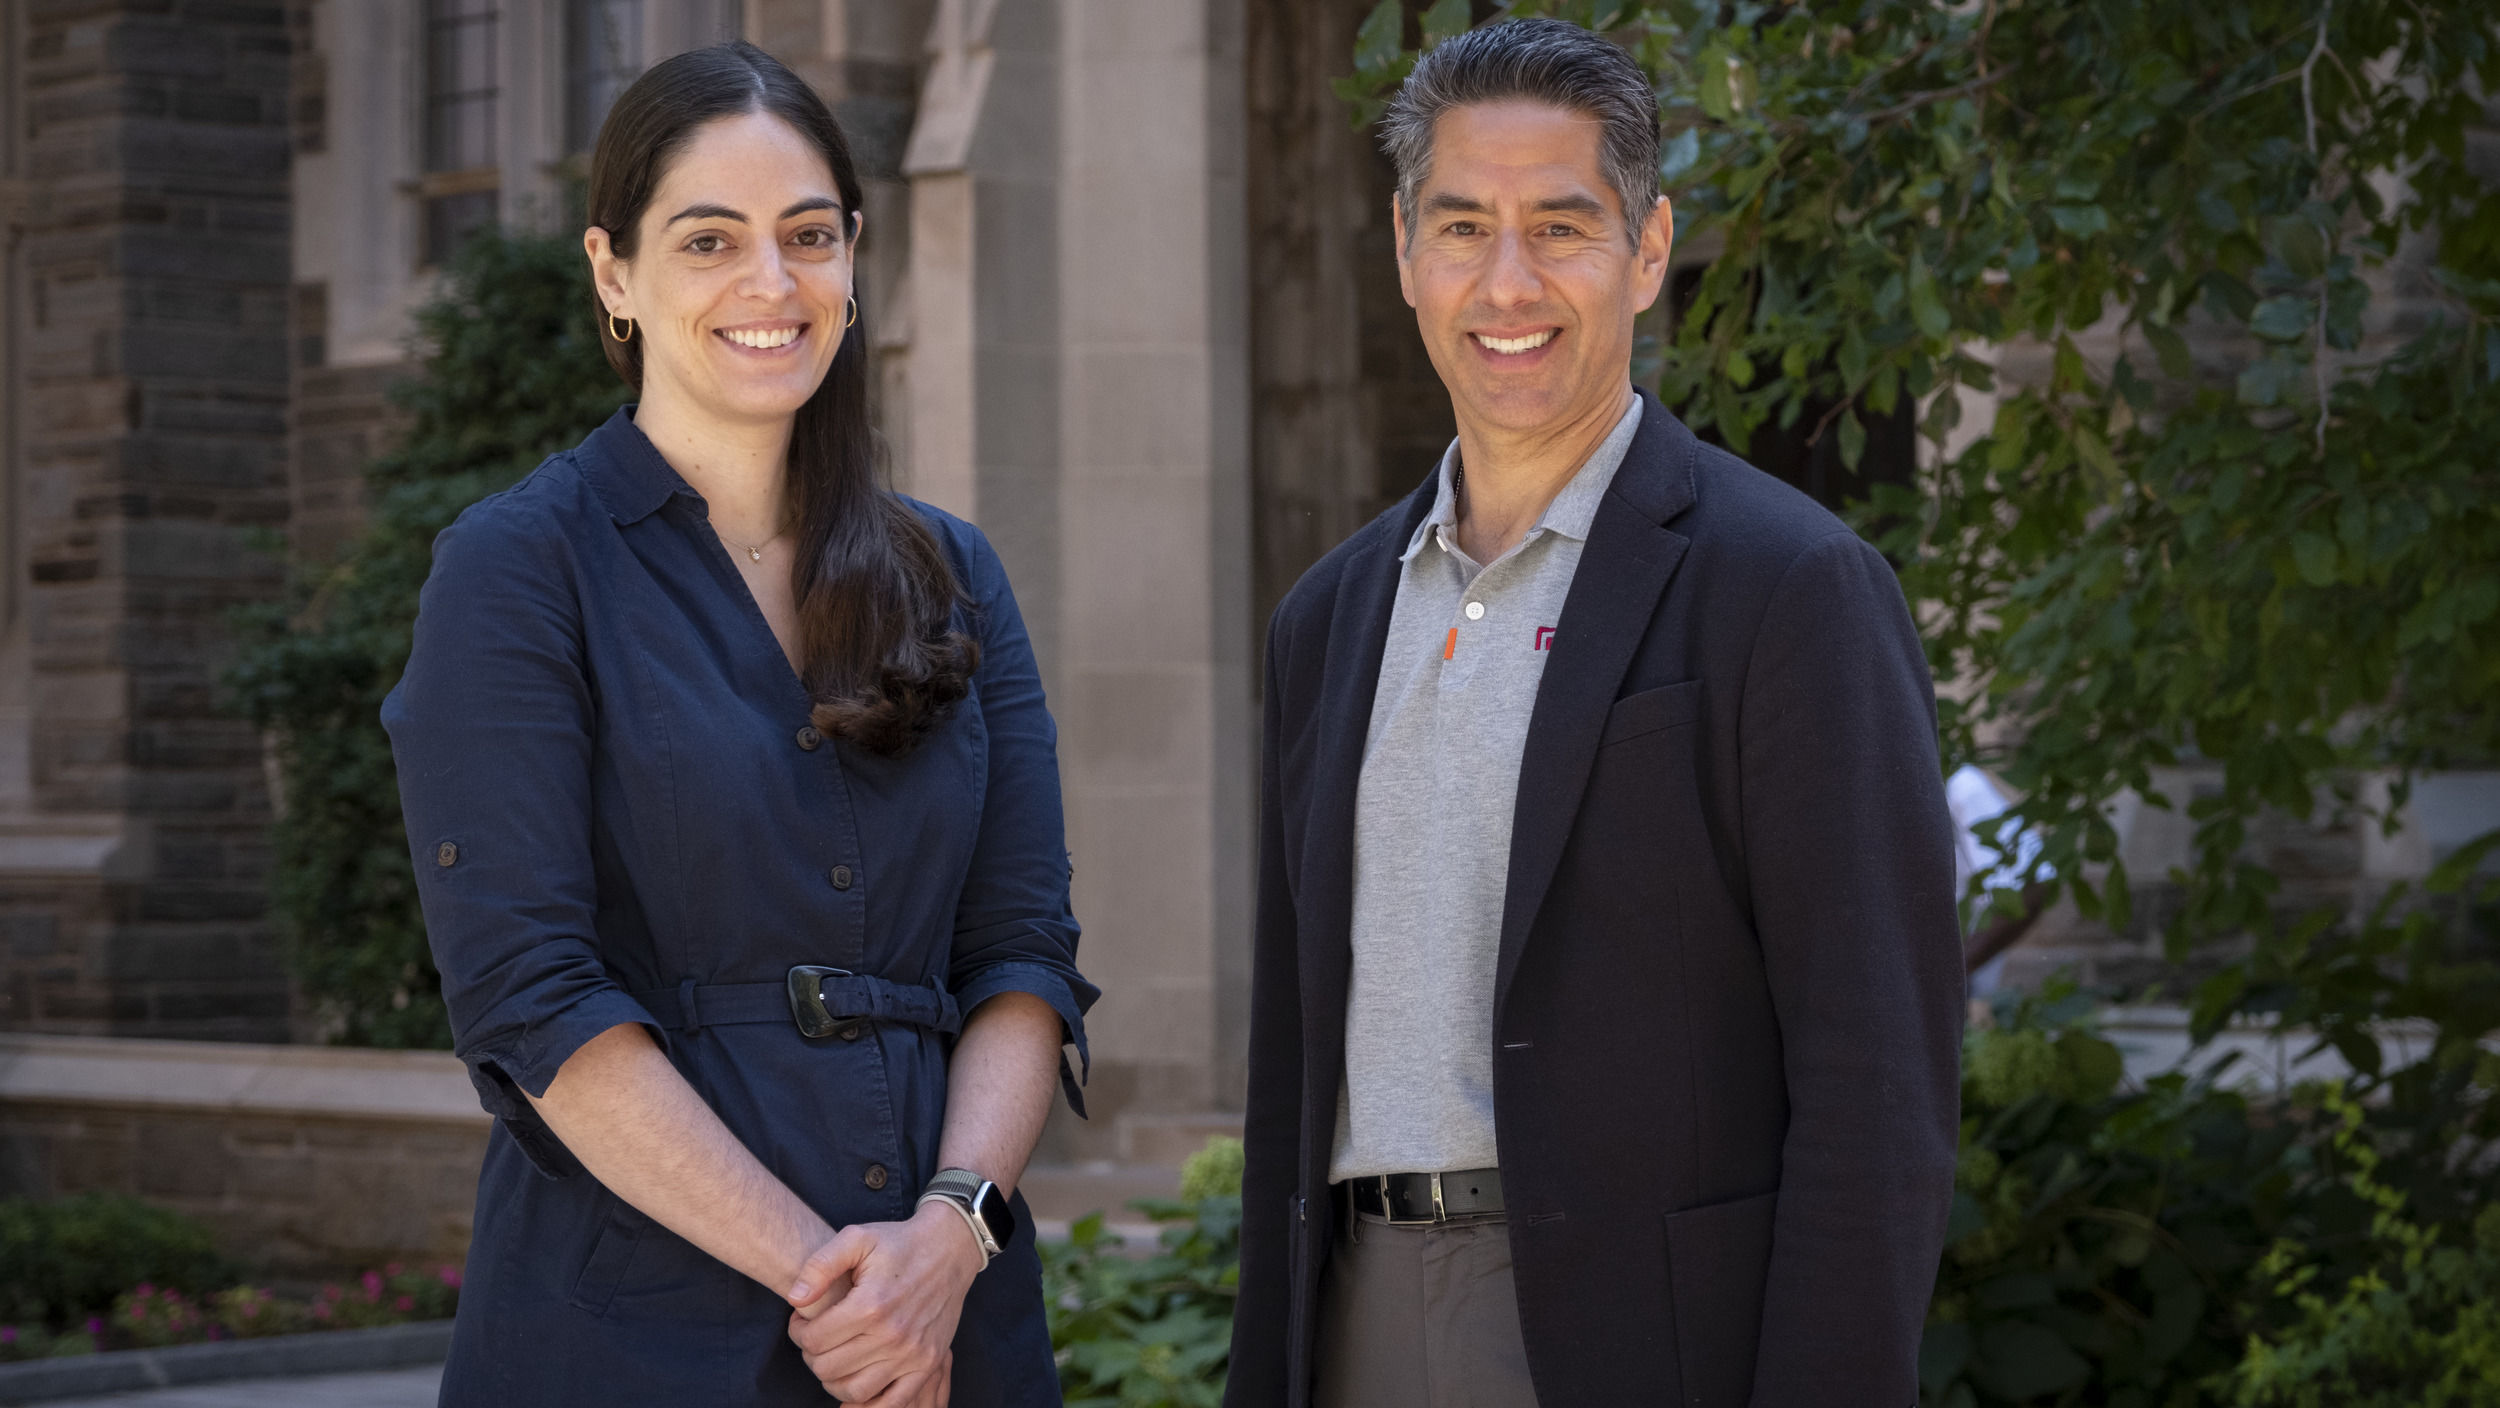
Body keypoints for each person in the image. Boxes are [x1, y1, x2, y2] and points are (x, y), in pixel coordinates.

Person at [1227, 19, 1963, 1408]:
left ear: (1648, 245)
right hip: (1356, 1321)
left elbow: (1878, 1090)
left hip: (1649, 1340)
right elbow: (1292, 1068)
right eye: (1463, 226)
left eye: (1561, 226)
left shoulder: (1791, 589)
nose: (1508, 281)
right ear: (1404, 250)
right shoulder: (1326, 622)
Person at [383, 42, 1091, 1408]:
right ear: (614, 273)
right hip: (640, 1335)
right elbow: (535, 1002)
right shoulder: (519, 572)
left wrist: (950, 1238)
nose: (772, 285)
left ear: (851, 255)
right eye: (710, 240)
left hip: (953, 1329)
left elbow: (1022, 958)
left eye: (807, 236)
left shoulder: (955, 575)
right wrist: (840, 1289)